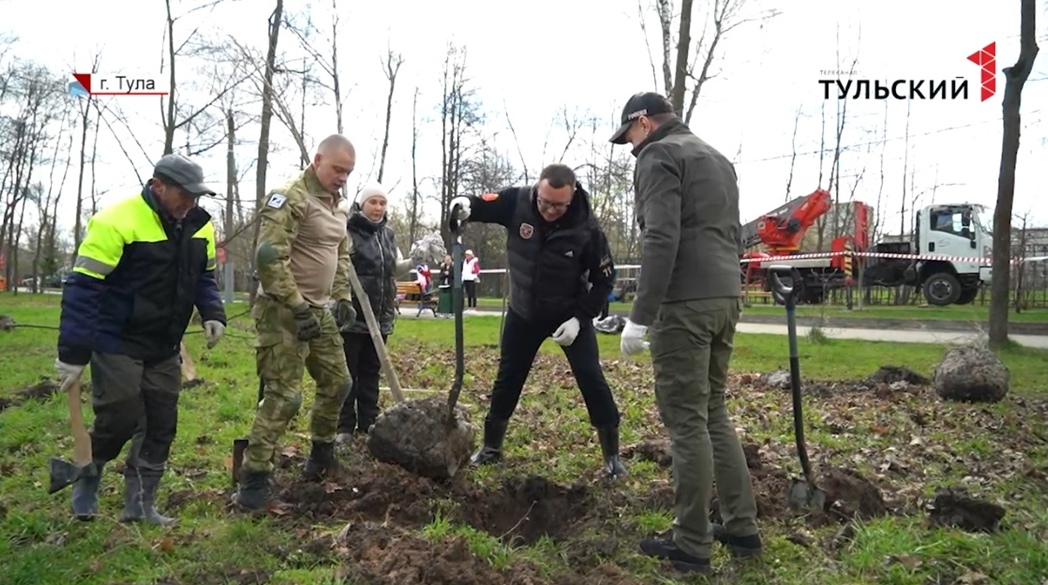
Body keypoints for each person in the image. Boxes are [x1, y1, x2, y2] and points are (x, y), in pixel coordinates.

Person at [611, 91, 762, 573]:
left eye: (629, 136)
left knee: (687, 421)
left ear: (644, 123)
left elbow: (661, 235)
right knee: (714, 410)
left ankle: (691, 541)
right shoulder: (716, 158)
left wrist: (641, 313)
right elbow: (731, 233)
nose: (630, 147)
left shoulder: (659, 155)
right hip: (725, 296)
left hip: (685, 303)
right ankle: (741, 526)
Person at [55, 153, 227, 525]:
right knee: (120, 414)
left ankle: (141, 502)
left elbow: (204, 278)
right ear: (157, 186)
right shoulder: (115, 221)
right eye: (183, 194)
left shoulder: (200, 226)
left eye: (195, 196)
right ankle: (88, 473)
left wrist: (213, 312)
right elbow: (84, 288)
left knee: (162, 421)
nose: (190, 203)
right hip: (116, 337)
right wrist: (73, 352)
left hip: (164, 343)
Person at [449, 163, 627, 480]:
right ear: (537, 189)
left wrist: (580, 318)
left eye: (558, 205)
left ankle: (612, 456)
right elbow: (481, 205)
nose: (548, 210)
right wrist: (464, 204)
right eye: (544, 201)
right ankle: (491, 448)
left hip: (569, 314)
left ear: (571, 198)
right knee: (508, 377)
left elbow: (604, 281)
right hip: (524, 312)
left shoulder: (587, 228)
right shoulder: (517, 202)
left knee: (590, 376)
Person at [233, 134, 358, 511]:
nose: (342, 177)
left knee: (339, 381)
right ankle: (254, 481)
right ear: (318, 160)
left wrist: (343, 297)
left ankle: (320, 457)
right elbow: (269, 256)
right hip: (281, 310)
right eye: (337, 169)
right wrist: (295, 305)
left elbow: (340, 254)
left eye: (348, 172)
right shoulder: (291, 197)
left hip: (319, 310)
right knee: (285, 396)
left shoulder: (337, 205)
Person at [335, 183, 415, 440]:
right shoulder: (347, 232)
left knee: (371, 373)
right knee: (348, 374)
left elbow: (394, 269)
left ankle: (369, 424)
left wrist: (417, 259)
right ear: (362, 204)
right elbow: (337, 267)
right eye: (373, 202)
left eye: (382, 203)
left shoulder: (388, 234)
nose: (378, 208)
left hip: (380, 317)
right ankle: (344, 428)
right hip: (352, 315)